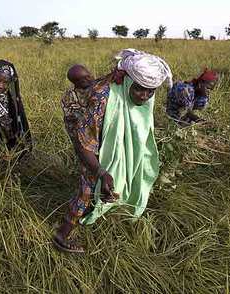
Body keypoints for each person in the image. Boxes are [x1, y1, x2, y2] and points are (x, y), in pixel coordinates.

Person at [54, 49, 172, 253]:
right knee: (88, 188)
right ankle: (61, 234)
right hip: (90, 143)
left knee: (117, 181)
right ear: (127, 82)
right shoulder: (103, 99)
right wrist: (101, 172)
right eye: (139, 90)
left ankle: (103, 209)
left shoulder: (141, 89)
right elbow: (84, 144)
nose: (144, 96)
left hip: (102, 139)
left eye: (149, 91)